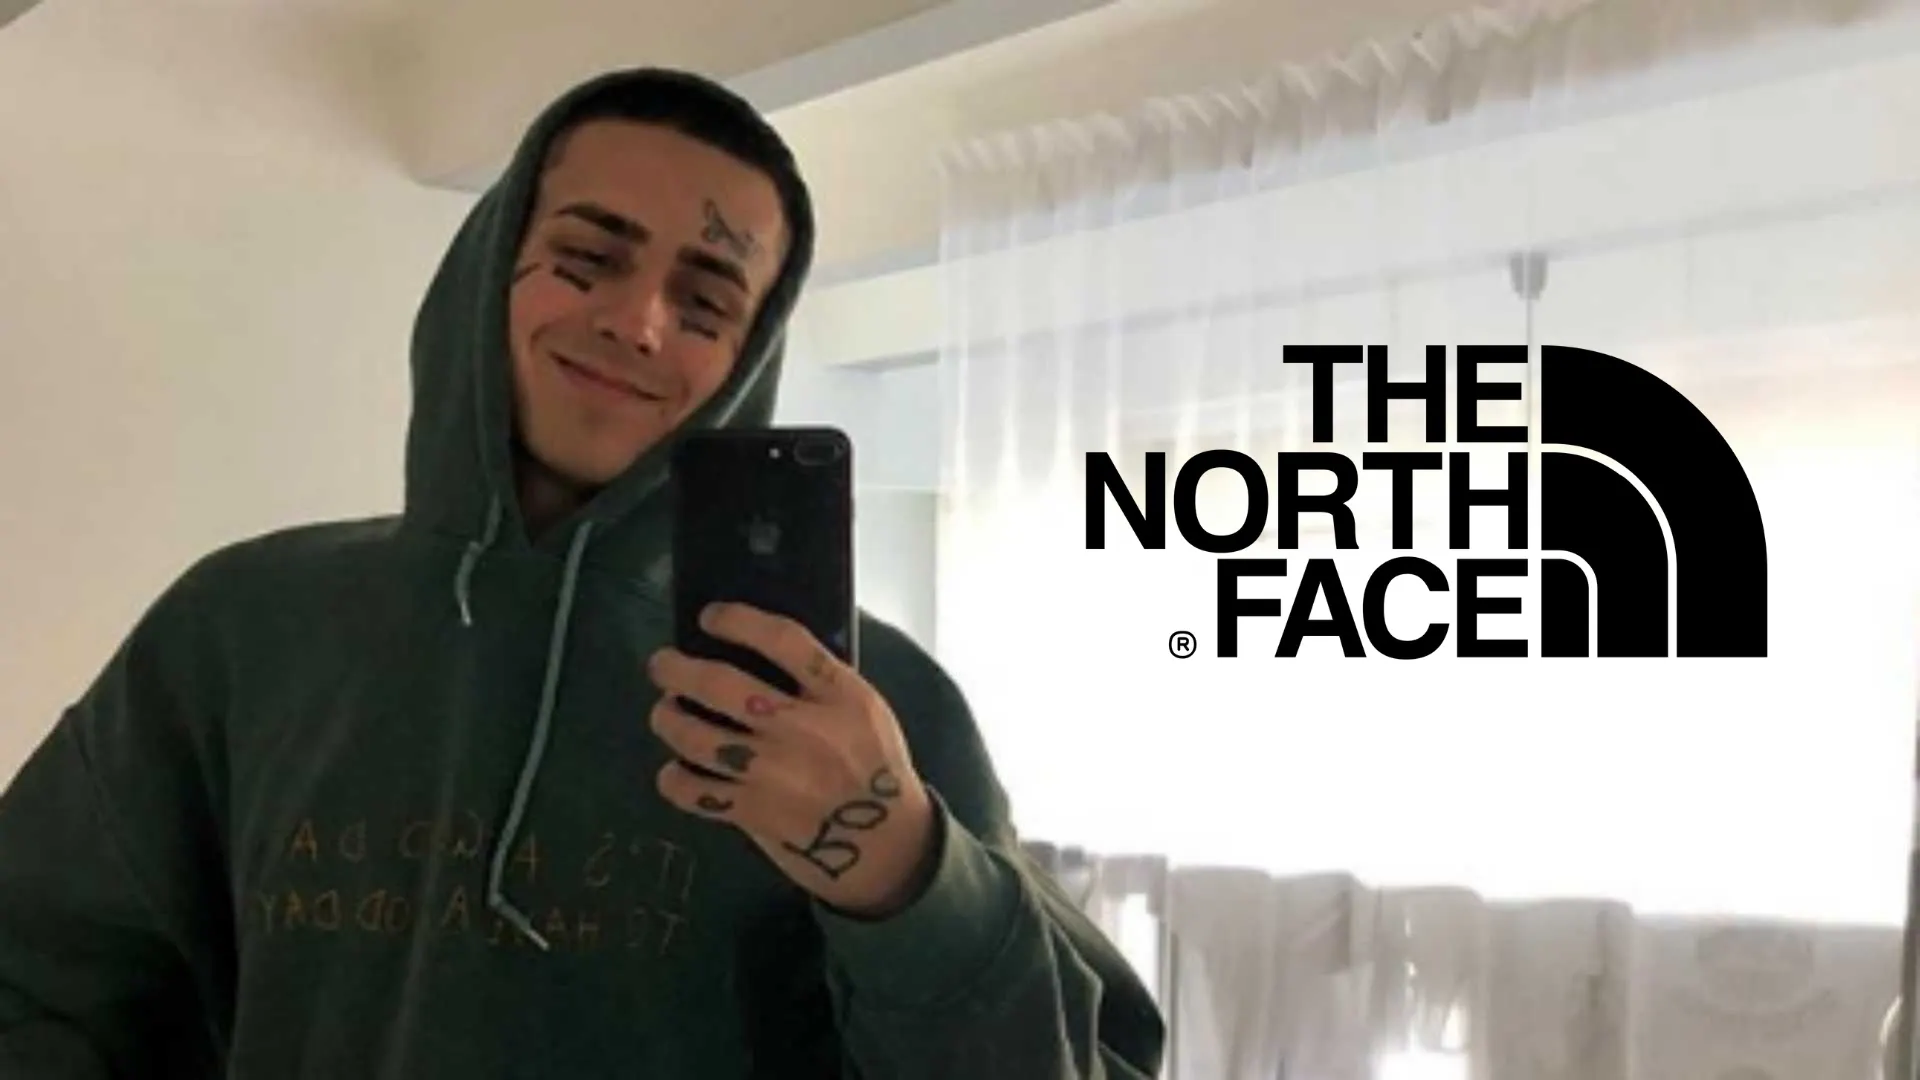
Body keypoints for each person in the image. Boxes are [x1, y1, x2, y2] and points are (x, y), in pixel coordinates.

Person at [0, 67, 1166, 1078]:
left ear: (748, 356)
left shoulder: (870, 701)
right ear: (491, 268)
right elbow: (36, 977)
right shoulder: (244, 630)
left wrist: (906, 873)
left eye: (704, 300)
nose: (639, 323)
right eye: (588, 258)